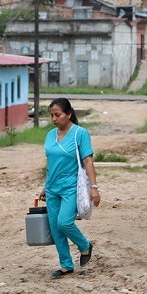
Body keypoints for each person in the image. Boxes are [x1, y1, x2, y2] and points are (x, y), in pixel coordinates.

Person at [39, 98, 100, 279]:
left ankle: (85, 246)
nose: (54, 118)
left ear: (69, 114)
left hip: (70, 187)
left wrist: (94, 187)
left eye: (57, 115)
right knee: (55, 228)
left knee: (64, 222)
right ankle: (66, 264)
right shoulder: (50, 135)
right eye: (51, 115)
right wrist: (44, 186)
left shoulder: (79, 134)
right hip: (52, 188)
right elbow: (51, 163)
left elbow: (88, 161)